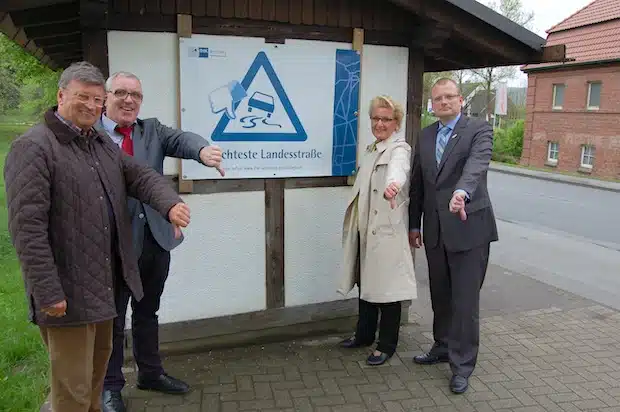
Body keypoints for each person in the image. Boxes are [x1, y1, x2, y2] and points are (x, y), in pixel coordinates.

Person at [3, 61, 191, 412]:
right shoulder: (34, 148)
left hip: (103, 288)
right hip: (66, 296)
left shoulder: (98, 141)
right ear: (61, 96)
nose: (91, 106)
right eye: (82, 98)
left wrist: (169, 205)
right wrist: (47, 291)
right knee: (71, 391)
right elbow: (27, 230)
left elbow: (139, 175)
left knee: (93, 382)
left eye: (96, 100)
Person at [97, 71, 224, 412]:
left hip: (155, 238)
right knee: (112, 319)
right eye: (121, 93)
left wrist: (202, 150)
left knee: (147, 311)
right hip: (114, 246)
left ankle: (150, 373)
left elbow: (182, 139)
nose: (129, 100)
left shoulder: (151, 130)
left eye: (135, 95)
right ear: (105, 98)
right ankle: (109, 388)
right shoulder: (90, 135)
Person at [408, 78, 498, 394]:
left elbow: (476, 166)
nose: (443, 102)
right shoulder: (426, 135)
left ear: (460, 100)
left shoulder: (478, 130)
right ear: (432, 104)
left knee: (465, 301)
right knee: (441, 295)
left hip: (468, 228)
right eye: (437, 98)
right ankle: (442, 346)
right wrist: (414, 224)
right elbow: (418, 184)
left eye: (449, 97)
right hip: (434, 230)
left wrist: (462, 191)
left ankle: (462, 366)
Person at [338, 95, 417, 366]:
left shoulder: (398, 149)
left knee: (388, 290)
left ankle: (386, 345)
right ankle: (364, 334)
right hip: (366, 228)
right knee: (366, 284)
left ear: (396, 123)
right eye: (376, 118)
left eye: (386, 119)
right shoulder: (373, 149)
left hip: (385, 231)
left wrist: (394, 185)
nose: (380, 123)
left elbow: (399, 170)